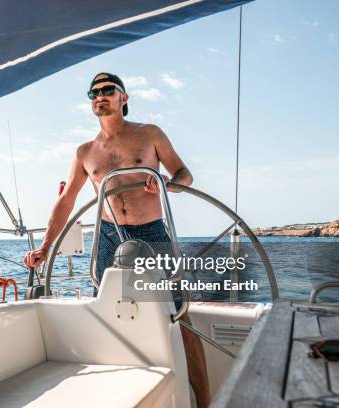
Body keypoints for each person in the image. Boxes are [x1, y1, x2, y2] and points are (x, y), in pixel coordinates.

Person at [23, 72, 210, 407]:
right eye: (93, 92)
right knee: (108, 314)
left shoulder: (149, 134)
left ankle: (207, 400)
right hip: (109, 237)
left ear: (124, 97)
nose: (100, 96)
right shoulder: (85, 152)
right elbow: (67, 202)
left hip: (151, 232)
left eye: (108, 90)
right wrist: (45, 247)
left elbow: (184, 174)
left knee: (180, 315)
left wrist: (167, 183)